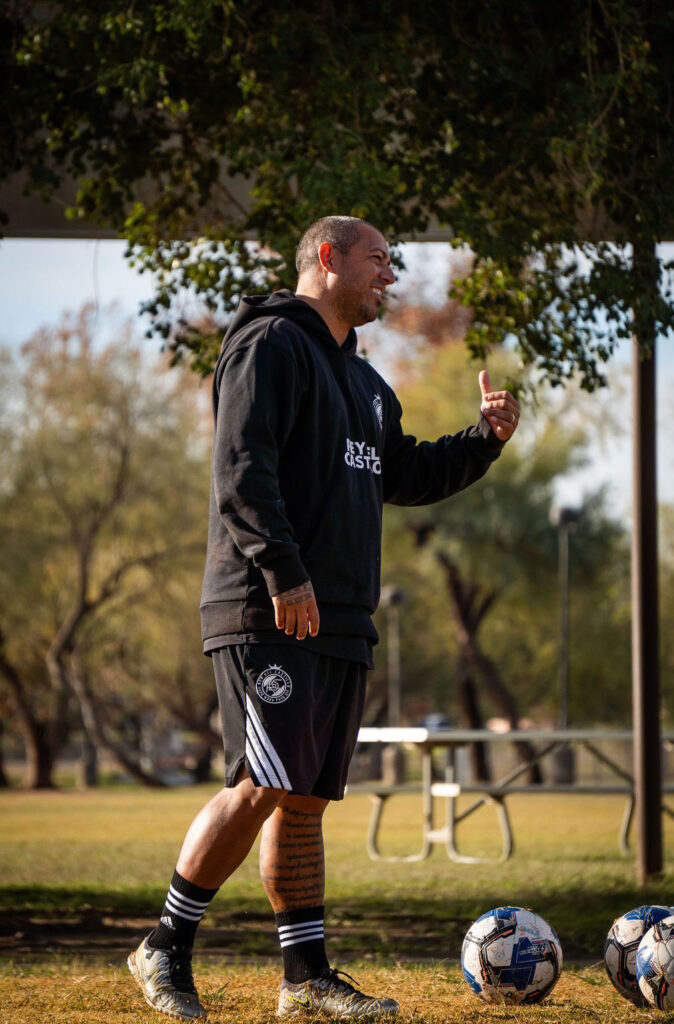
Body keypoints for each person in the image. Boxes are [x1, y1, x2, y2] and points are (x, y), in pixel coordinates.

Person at [128, 215, 520, 1021]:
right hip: (268, 607)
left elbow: (401, 473)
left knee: (301, 797)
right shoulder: (268, 346)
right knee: (260, 781)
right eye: (379, 261)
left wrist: (482, 441)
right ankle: (162, 946)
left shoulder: (368, 386)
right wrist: (282, 572)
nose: (390, 277)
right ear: (328, 257)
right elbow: (241, 467)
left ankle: (304, 978)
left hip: (339, 617)